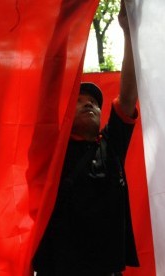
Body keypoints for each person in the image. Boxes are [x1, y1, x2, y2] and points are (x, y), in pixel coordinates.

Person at [33, 1, 139, 275]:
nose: (89, 104)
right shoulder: (51, 153)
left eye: (94, 101)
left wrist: (129, 32)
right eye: (79, 100)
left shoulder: (110, 147)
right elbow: (48, 86)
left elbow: (128, 96)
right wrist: (66, 18)